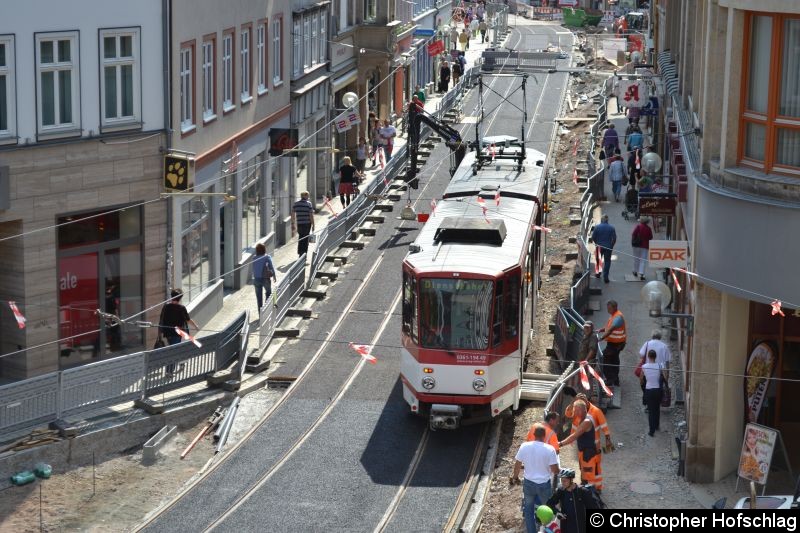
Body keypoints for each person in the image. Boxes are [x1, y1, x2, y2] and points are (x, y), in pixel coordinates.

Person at [511, 425, 560, 533]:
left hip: (528, 484)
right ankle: (548, 530)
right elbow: (555, 470)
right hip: (544, 485)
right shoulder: (549, 449)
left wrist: (515, 477)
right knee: (548, 509)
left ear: (534, 435)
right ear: (544, 435)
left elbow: (518, 464)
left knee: (528, 511)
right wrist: (558, 470)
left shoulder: (524, 446)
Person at [558, 401, 603, 491]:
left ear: (582, 410)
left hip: (588, 455)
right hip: (586, 453)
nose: (575, 413)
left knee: (589, 479)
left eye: (576, 410)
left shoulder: (586, 421)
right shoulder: (585, 418)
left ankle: (591, 498)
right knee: (585, 476)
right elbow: (568, 414)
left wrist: (560, 443)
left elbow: (575, 435)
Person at [546, 469, 598, 533]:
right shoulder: (561, 490)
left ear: (571, 480)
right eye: (561, 480)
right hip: (566, 527)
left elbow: (593, 508)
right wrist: (557, 512)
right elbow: (549, 503)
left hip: (580, 527)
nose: (562, 483)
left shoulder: (583, 491)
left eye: (565, 481)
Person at [597, 300, 625, 387]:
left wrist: (602, 338)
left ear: (614, 308)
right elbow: (608, 327)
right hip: (614, 343)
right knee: (614, 361)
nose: (607, 310)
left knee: (605, 359)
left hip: (616, 344)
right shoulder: (614, 316)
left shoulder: (618, 317)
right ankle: (615, 380)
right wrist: (601, 330)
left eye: (609, 308)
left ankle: (610, 379)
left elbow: (611, 329)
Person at [639, 350, 666, 436]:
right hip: (658, 390)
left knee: (651, 411)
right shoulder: (660, 365)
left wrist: (643, 386)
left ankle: (651, 431)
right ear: (655, 357)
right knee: (657, 408)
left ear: (648, 356)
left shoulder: (644, 366)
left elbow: (641, 378)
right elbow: (665, 376)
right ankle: (657, 425)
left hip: (649, 390)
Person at [591, 214, 616, 283]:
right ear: (607, 220)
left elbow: (593, 237)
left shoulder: (597, 227)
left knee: (598, 260)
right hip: (608, 247)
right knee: (607, 261)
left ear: (601, 220)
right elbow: (614, 238)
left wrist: (596, 243)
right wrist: (611, 246)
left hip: (599, 246)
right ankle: (606, 276)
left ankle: (598, 274)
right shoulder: (611, 228)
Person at [252, 243, 277, 311]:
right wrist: (274, 276)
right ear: (264, 249)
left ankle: (260, 314)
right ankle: (266, 310)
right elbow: (271, 267)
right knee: (268, 293)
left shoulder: (254, 258)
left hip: (256, 279)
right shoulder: (267, 257)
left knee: (259, 298)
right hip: (265, 279)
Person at [291, 191, 315, 258]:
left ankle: (300, 252)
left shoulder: (296, 204)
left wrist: (293, 223)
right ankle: (304, 253)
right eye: (308, 196)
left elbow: (292, 214)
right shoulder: (309, 204)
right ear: (306, 196)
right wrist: (313, 224)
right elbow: (311, 215)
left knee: (301, 237)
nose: (308, 197)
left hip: (299, 223)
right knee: (306, 238)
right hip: (307, 224)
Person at [631, 216, 653, 280]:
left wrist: (633, 242)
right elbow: (651, 237)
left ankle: (635, 271)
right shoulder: (649, 228)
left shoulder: (638, 226)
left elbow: (633, 234)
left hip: (637, 245)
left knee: (636, 259)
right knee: (643, 260)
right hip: (645, 246)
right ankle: (641, 274)